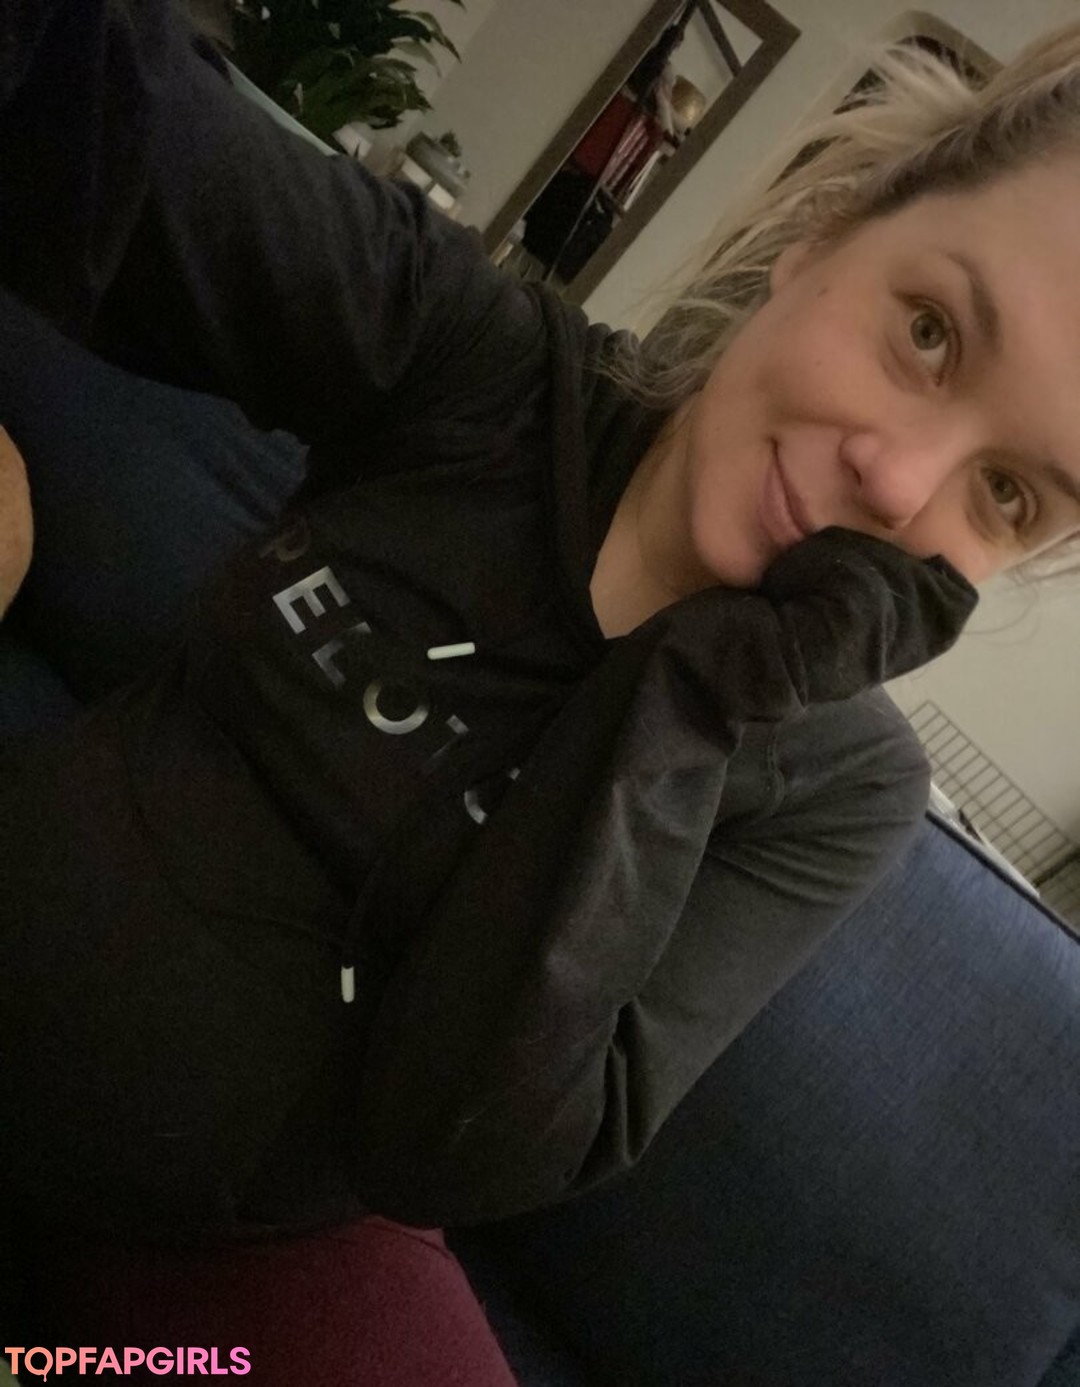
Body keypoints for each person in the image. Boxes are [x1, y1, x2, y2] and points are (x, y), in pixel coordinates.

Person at [1, 0, 1078, 1378]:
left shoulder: (839, 787)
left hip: (211, 1257)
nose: (900, 481)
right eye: (928, 330)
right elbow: (106, 118)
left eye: (1008, 492)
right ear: (821, 241)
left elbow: (459, 1144)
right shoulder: (486, 374)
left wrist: (702, 690)